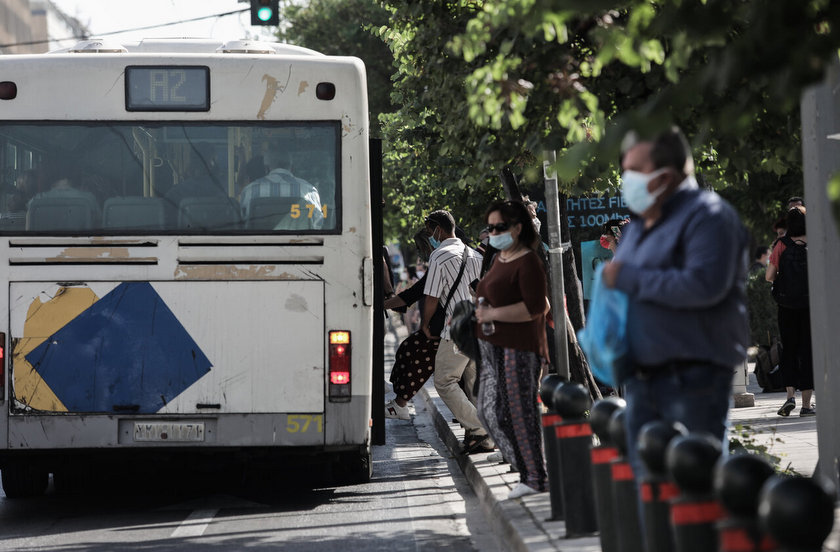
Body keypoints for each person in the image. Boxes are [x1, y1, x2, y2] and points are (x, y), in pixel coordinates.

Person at [601, 127, 749, 506]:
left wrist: (629, 278)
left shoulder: (709, 216)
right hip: (642, 379)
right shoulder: (640, 223)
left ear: (665, 174)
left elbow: (703, 285)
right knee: (651, 497)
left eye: (633, 169)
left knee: (694, 497)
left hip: (692, 378)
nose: (625, 178)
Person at [474, 200, 550, 499]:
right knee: (491, 411)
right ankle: (530, 471)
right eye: (490, 227)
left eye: (500, 227)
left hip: (519, 347)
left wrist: (493, 314)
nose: (494, 232)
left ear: (517, 229)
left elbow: (536, 308)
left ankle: (535, 476)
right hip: (494, 347)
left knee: (519, 412)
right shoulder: (500, 259)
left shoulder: (527, 260)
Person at [422, 210, 493, 454]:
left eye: (430, 230)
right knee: (473, 384)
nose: (430, 235)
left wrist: (425, 323)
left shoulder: (439, 256)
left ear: (438, 229)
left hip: (456, 330)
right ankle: (485, 440)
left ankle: (482, 427)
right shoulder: (474, 254)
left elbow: (431, 297)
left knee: (444, 381)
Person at [766, 206, 814, 417]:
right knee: (807, 351)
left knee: (790, 350)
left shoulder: (781, 245)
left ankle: (789, 397)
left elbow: (769, 276)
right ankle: (806, 405)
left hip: (786, 306)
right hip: (810, 305)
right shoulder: (814, 243)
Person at [383, 230, 436, 419]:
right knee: (407, 349)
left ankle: (400, 404)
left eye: (420, 247)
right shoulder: (444, 258)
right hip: (442, 325)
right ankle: (399, 402)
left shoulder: (441, 259)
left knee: (417, 358)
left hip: (443, 327)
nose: (418, 252)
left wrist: (383, 304)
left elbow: (419, 293)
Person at [239, 149, 323, 229]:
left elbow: (242, 223)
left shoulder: (250, 190)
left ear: (266, 168)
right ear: (291, 167)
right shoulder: (308, 190)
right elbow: (318, 224)